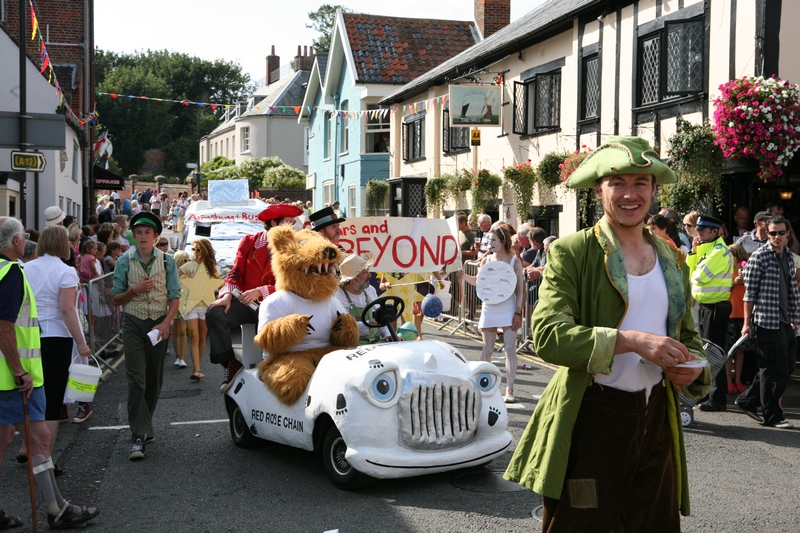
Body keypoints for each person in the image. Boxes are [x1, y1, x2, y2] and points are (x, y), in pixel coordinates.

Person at [504, 136, 709, 531]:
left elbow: (689, 337)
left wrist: (694, 369)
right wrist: (632, 341)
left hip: (656, 420)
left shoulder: (673, 260)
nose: (630, 194)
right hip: (591, 417)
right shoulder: (572, 251)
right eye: (618, 183)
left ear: (653, 190)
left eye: (641, 183)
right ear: (599, 190)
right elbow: (547, 334)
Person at [0, 217, 100, 529]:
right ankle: (57, 509)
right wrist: (19, 371)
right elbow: (5, 326)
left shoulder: (16, 268)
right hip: (17, 375)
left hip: (11, 371)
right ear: (17, 241)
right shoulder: (12, 271)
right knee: (41, 437)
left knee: (6, 437)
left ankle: (57, 507)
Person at [206, 204, 302, 393]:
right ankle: (230, 364)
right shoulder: (249, 242)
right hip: (246, 305)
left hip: (277, 307)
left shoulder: (295, 247)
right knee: (214, 313)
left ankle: (280, 373)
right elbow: (235, 272)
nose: (293, 227)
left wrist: (261, 290)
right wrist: (226, 294)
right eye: (289, 223)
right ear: (274, 223)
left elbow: (294, 285)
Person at [21, 225, 93, 474]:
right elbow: (66, 310)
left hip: (29, 336)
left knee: (28, 395)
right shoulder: (66, 272)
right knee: (51, 401)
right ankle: (45, 461)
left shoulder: (25, 268)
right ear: (63, 245)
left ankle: (26, 449)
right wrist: (81, 343)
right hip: (56, 338)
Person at [111, 212, 181, 460]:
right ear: (133, 235)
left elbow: (175, 296)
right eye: (138, 232)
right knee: (136, 380)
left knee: (154, 379)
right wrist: (135, 290)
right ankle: (138, 437)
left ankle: (144, 423)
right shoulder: (124, 262)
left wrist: (166, 324)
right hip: (133, 323)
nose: (142, 237)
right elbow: (116, 298)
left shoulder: (167, 261)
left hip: (158, 325)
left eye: (147, 233)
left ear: (155, 236)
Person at [736, 216, 799, 429]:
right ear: (767, 233)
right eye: (773, 233)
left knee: (786, 366)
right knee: (774, 369)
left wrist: (793, 318)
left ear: (787, 233)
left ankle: (747, 400)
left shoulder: (789, 256)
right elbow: (749, 293)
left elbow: (791, 289)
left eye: (781, 233)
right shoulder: (759, 257)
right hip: (765, 320)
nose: (777, 237)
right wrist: (747, 323)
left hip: (784, 320)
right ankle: (772, 415)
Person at [459, 226, 524, 402]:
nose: (490, 243)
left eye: (493, 240)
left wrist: (518, 313)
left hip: (508, 307)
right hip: (489, 306)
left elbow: (520, 290)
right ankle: (482, 386)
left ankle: (509, 389)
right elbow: (480, 283)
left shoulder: (514, 262)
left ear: (503, 241)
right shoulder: (485, 261)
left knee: (510, 349)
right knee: (487, 349)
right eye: (488, 241)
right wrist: (464, 276)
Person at [690, 215, 735, 413]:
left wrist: (696, 263)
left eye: (703, 230)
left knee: (714, 354)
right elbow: (689, 271)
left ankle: (718, 398)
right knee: (707, 353)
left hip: (716, 307)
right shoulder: (707, 249)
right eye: (698, 230)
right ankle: (709, 395)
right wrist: (694, 252)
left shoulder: (719, 251)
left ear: (715, 231)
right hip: (707, 306)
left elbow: (699, 277)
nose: (698, 233)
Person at [180, 238, 221, 381]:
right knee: (194, 337)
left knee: (202, 337)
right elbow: (173, 277)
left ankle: (198, 367)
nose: (195, 253)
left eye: (198, 250)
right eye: (193, 249)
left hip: (207, 307)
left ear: (205, 251)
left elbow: (222, 286)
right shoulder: (188, 266)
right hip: (191, 306)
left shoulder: (212, 268)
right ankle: (196, 370)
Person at [335, 254, 391, 344]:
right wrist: (367, 325)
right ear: (354, 279)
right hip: (352, 345)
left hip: (375, 342)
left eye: (368, 271)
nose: (369, 275)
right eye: (365, 272)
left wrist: (388, 335)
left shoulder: (370, 290)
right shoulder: (338, 295)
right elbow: (343, 326)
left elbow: (381, 317)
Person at [725, 243, 752, 394]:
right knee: (729, 351)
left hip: (743, 315)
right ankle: (729, 382)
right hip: (729, 314)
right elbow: (721, 288)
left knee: (741, 351)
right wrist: (733, 283)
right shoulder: (726, 271)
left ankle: (738, 380)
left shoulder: (746, 270)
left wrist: (744, 280)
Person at [171, 251, 190, 369]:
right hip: (174, 304)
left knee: (183, 331)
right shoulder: (172, 273)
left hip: (185, 305)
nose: (187, 263)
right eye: (184, 260)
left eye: (188, 260)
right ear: (178, 261)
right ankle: (177, 356)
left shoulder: (190, 274)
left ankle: (182, 358)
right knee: (175, 331)